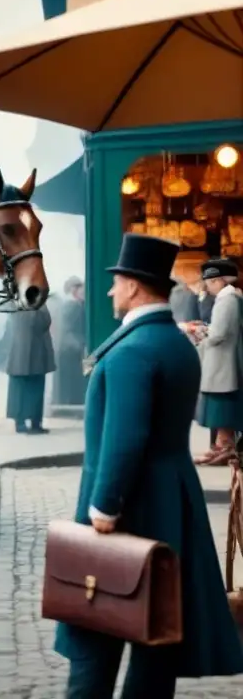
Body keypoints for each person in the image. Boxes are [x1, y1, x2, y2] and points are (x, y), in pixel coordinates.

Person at [55, 233, 243, 697]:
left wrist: (103, 508)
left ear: (136, 286)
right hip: (171, 504)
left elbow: (125, 438)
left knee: (94, 638)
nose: (110, 291)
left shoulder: (132, 351)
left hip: (127, 509)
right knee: (157, 636)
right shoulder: (174, 342)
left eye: (116, 282)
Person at [190, 258, 243, 467]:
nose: (208, 286)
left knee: (221, 407)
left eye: (211, 282)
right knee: (219, 407)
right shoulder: (230, 298)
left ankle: (224, 448)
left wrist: (200, 332)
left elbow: (219, 333)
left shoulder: (227, 300)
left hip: (221, 362)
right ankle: (221, 447)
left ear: (221, 280)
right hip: (222, 361)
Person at [3, 300, 55, 434]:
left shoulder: (15, 302)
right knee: (31, 388)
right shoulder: (33, 303)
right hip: (31, 352)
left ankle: (27, 422)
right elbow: (44, 321)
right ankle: (31, 422)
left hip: (25, 352)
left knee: (23, 389)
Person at [52, 276, 87, 407]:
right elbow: (69, 331)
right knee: (71, 383)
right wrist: (81, 345)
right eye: (79, 288)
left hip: (68, 350)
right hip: (71, 351)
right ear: (73, 290)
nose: (82, 291)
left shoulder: (69, 305)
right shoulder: (71, 306)